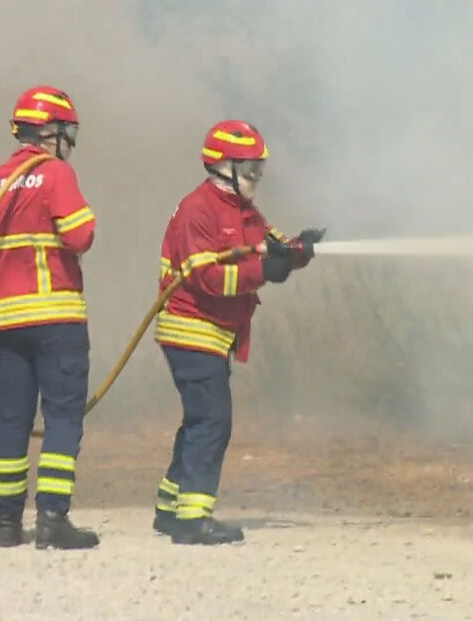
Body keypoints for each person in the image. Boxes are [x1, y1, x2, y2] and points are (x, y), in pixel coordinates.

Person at [152, 120, 325, 545]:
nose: (256, 178)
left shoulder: (244, 211)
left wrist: (300, 249)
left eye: (259, 170)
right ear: (223, 166)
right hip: (190, 329)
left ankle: (169, 506)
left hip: (215, 334)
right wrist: (264, 270)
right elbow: (206, 278)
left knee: (199, 419)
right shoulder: (199, 209)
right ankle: (192, 519)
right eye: (250, 169)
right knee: (212, 421)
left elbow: (274, 247)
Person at [0, 85, 99, 549]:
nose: (69, 144)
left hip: (1, 321)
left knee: (12, 420)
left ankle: (6, 524)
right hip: (55, 318)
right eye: (68, 134)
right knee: (62, 416)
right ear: (51, 133)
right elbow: (80, 236)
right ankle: (52, 520)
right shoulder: (55, 173)